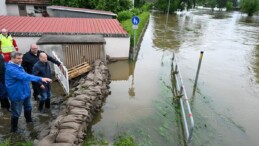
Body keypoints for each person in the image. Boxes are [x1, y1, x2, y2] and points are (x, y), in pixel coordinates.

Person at [5, 51, 52, 132]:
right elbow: (23, 76)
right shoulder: (11, 68)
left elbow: (26, 77)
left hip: (26, 92)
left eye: (21, 58)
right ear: (12, 59)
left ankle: (29, 121)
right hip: (17, 94)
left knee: (28, 107)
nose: (21, 60)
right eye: (18, 58)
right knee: (16, 112)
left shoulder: (19, 66)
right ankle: (14, 129)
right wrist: (40, 78)